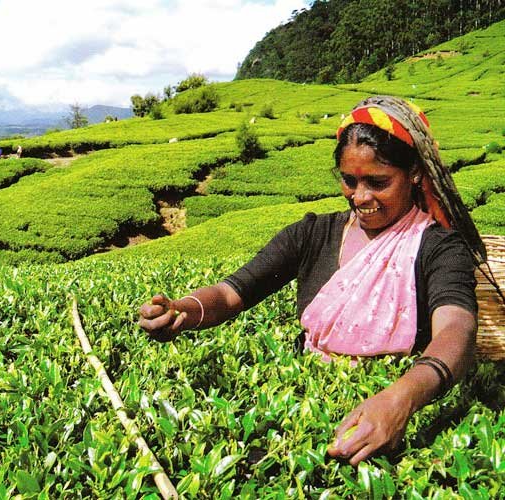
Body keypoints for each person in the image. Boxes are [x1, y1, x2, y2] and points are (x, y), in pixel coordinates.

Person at [138, 96, 483, 466]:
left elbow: (456, 330)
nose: (361, 197)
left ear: (414, 172)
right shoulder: (311, 234)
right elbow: (230, 292)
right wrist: (184, 310)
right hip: (302, 413)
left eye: (378, 182)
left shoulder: (439, 247)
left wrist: (400, 400)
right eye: (349, 181)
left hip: (391, 427)